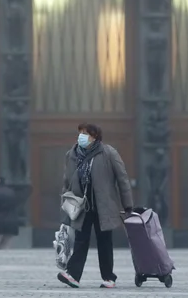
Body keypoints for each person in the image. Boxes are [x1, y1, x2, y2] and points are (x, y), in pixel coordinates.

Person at [57, 123, 133, 289]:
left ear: (95, 136)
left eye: (85, 133)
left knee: (104, 241)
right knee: (80, 240)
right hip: (82, 206)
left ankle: (109, 277)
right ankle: (73, 275)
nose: (81, 137)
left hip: (103, 206)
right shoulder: (72, 154)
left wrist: (128, 205)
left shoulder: (108, 153)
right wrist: (65, 205)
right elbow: (67, 182)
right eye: (80, 133)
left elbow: (122, 179)